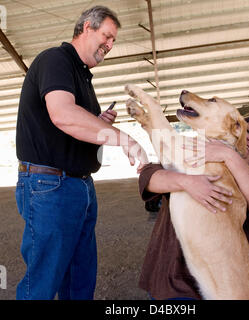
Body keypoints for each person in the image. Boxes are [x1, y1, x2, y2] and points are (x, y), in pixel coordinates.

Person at [15, 6, 147, 300]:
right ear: (87, 26)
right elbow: (63, 115)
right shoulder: (55, 60)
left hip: (79, 185)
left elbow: (71, 127)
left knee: (79, 277)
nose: (110, 46)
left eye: (113, 41)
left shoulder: (82, 75)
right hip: (50, 187)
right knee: (42, 282)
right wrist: (124, 139)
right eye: (107, 36)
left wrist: (97, 124)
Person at [138, 116, 249, 300]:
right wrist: (187, 182)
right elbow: (149, 178)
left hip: (248, 278)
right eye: (248, 131)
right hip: (181, 279)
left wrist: (228, 155)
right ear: (232, 131)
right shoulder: (194, 158)